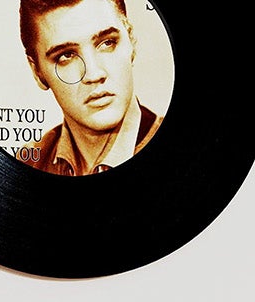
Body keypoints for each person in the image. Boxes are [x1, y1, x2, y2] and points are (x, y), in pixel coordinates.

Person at [18, 0, 160, 176]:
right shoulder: (29, 162)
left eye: (107, 43)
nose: (93, 75)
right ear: (37, 71)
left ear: (131, 41)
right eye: (66, 56)